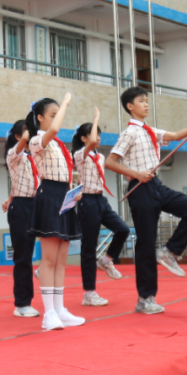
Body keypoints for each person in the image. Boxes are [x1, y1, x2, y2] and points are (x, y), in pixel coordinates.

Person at [105, 86, 187, 315]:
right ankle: (145, 299)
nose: (146, 104)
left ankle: (170, 252)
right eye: (141, 101)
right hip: (139, 188)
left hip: (156, 185)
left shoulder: (149, 130)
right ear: (130, 106)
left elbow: (174, 136)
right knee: (146, 242)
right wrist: (136, 174)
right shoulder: (129, 133)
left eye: (146, 100)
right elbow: (110, 162)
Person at [26, 95, 83, 331]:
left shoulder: (59, 145)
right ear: (40, 118)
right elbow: (55, 129)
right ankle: (48, 313)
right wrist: (66, 104)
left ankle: (59, 309)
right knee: (48, 260)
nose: (56, 118)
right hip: (49, 195)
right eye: (52, 114)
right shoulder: (37, 141)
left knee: (61, 260)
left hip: (64, 196)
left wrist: (74, 192)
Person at [72, 110, 129, 308]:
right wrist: (95, 119)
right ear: (84, 138)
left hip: (100, 200)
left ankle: (106, 260)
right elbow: (89, 146)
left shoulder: (101, 157)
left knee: (123, 229)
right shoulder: (79, 154)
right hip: (87, 201)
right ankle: (89, 293)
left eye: (99, 134)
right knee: (88, 248)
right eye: (94, 134)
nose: (98, 137)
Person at [4, 120, 39, 318]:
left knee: (57, 240)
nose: (30, 133)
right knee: (24, 257)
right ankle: (22, 303)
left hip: (37, 204)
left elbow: (21, 182)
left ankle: (44, 270)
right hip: (22, 207)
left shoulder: (33, 157)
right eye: (26, 131)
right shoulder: (13, 154)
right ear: (18, 136)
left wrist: (9, 197)